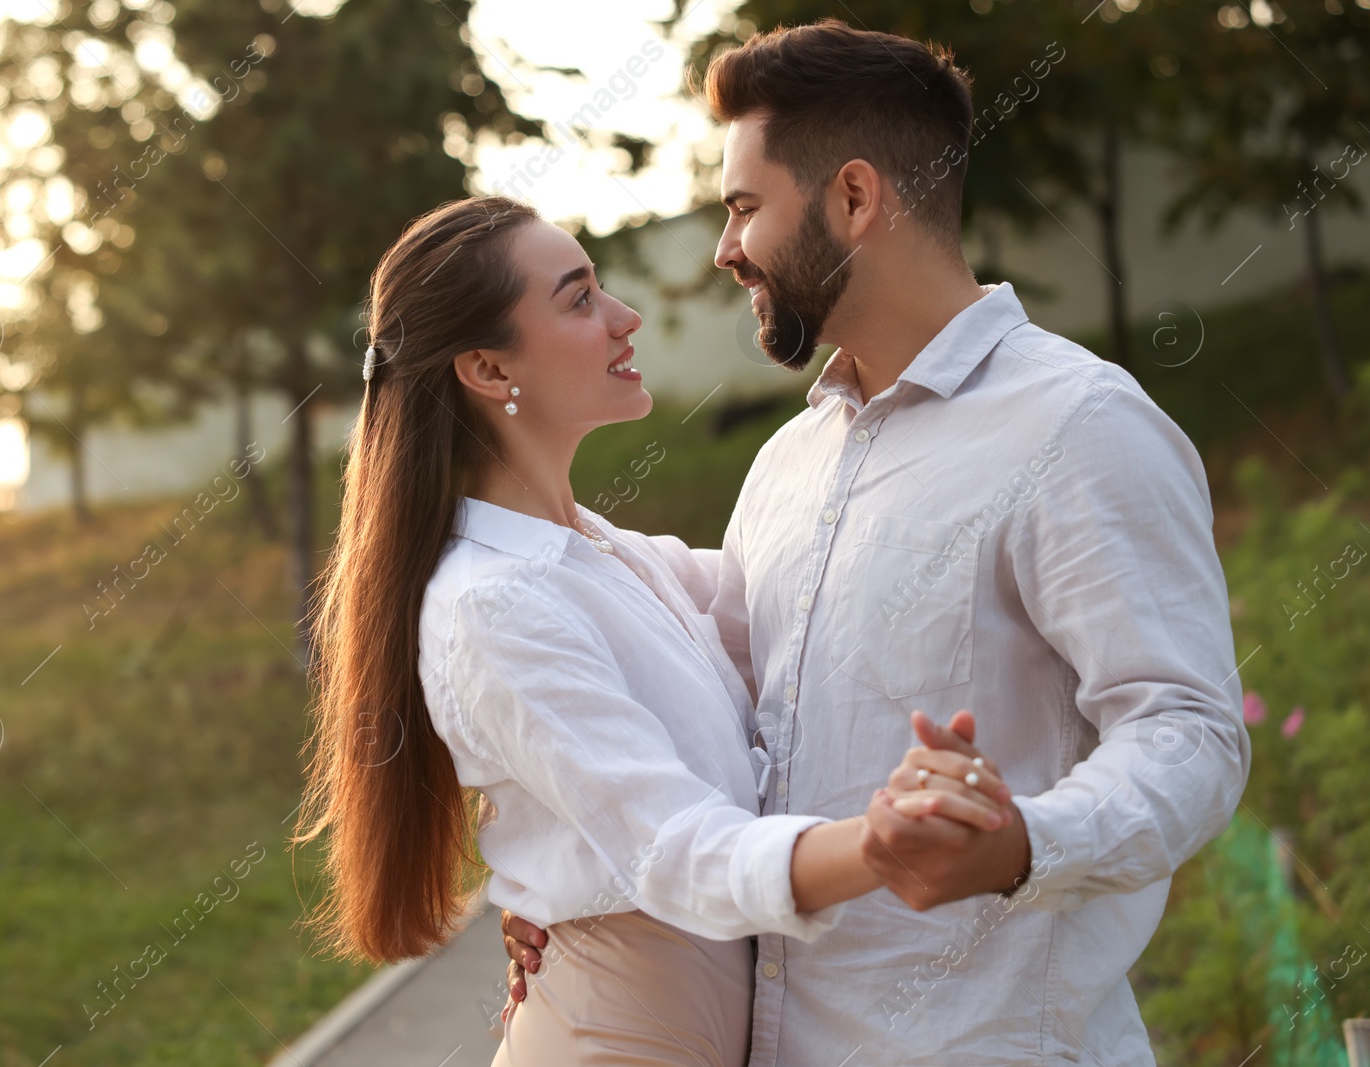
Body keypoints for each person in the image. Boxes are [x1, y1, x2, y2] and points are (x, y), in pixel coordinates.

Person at [502, 19, 1250, 1066]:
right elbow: (708, 736)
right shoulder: (786, 464)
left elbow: (1190, 731)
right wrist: (580, 903)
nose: (723, 249)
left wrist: (1022, 842)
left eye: (744, 208)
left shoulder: (1079, 426)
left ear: (853, 199)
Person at [294, 194, 1014, 1067]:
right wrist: (879, 842)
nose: (625, 319)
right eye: (580, 299)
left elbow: (813, 597)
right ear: (487, 369)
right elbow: (677, 849)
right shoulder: (494, 602)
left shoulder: (605, 552)